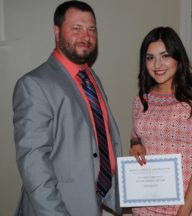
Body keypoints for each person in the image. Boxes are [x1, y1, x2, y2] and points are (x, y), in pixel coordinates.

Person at [12, 1, 122, 216]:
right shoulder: (33, 84)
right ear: (56, 31)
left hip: (91, 201)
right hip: (56, 206)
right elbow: (34, 166)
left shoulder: (92, 78)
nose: (85, 36)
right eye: (76, 28)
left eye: (91, 29)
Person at [129, 27, 192, 216]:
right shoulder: (141, 100)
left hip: (182, 205)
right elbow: (135, 137)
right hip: (144, 201)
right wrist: (135, 145)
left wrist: (183, 213)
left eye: (165, 55)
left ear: (178, 58)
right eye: (150, 57)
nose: (157, 64)